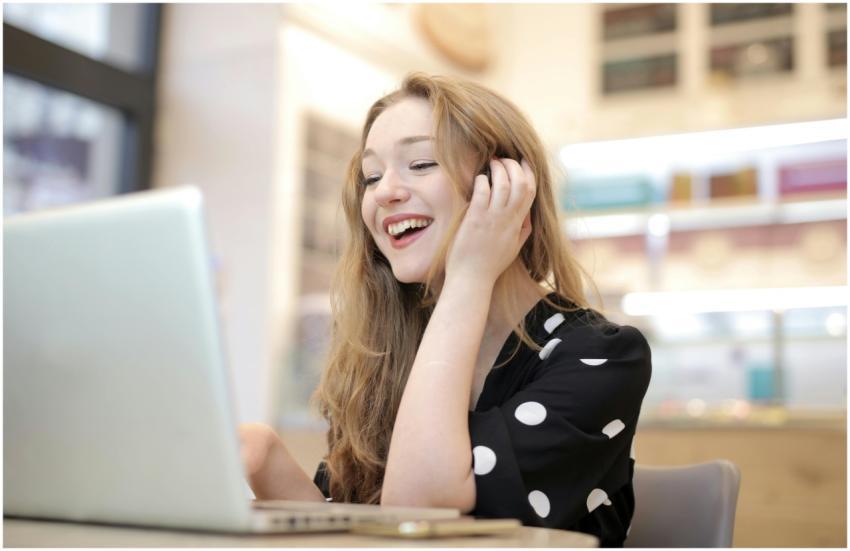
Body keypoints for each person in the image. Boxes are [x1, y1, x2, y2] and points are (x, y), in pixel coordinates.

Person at [240, 73, 651, 547]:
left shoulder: (603, 357)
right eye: (372, 176)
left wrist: (470, 276)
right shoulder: (388, 353)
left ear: (504, 186)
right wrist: (265, 460)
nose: (384, 191)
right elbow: (358, 536)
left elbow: (416, 510)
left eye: (419, 163)